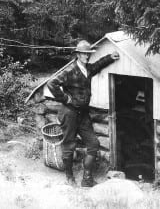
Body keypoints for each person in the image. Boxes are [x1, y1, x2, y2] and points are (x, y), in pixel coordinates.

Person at [47, 40, 119, 187]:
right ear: (78, 54)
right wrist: (66, 98)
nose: (87, 57)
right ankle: (69, 177)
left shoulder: (87, 69)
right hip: (69, 113)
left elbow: (98, 65)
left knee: (93, 143)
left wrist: (110, 57)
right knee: (69, 145)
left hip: (83, 114)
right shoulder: (70, 71)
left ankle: (87, 179)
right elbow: (51, 83)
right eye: (85, 54)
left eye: (89, 54)